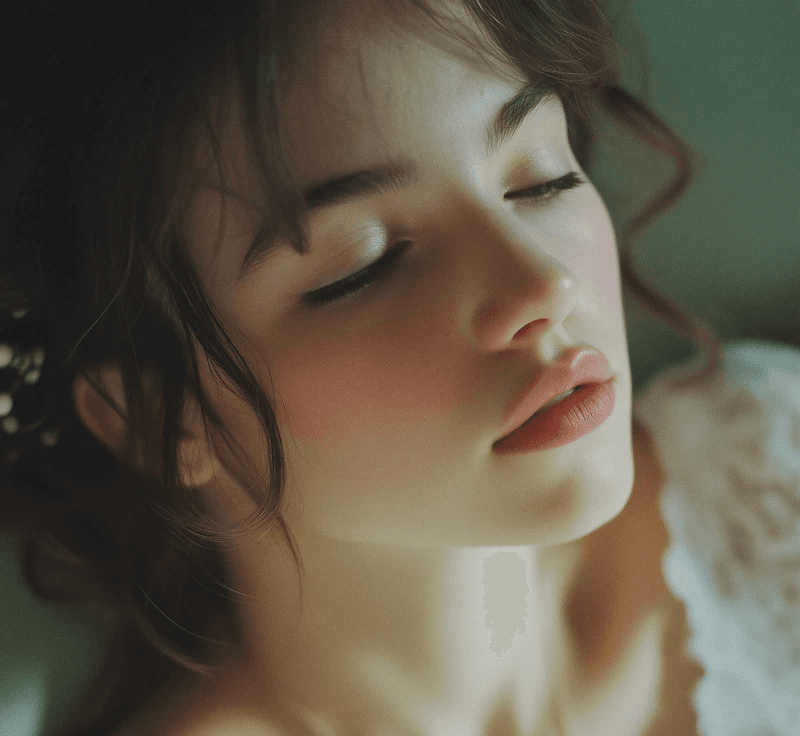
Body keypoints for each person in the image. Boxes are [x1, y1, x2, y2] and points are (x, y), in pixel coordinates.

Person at [1, 0, 723, 734]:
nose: (545, 285)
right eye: (366, 264)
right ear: (157, 418)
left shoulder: (767, 482)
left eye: (539, 180)